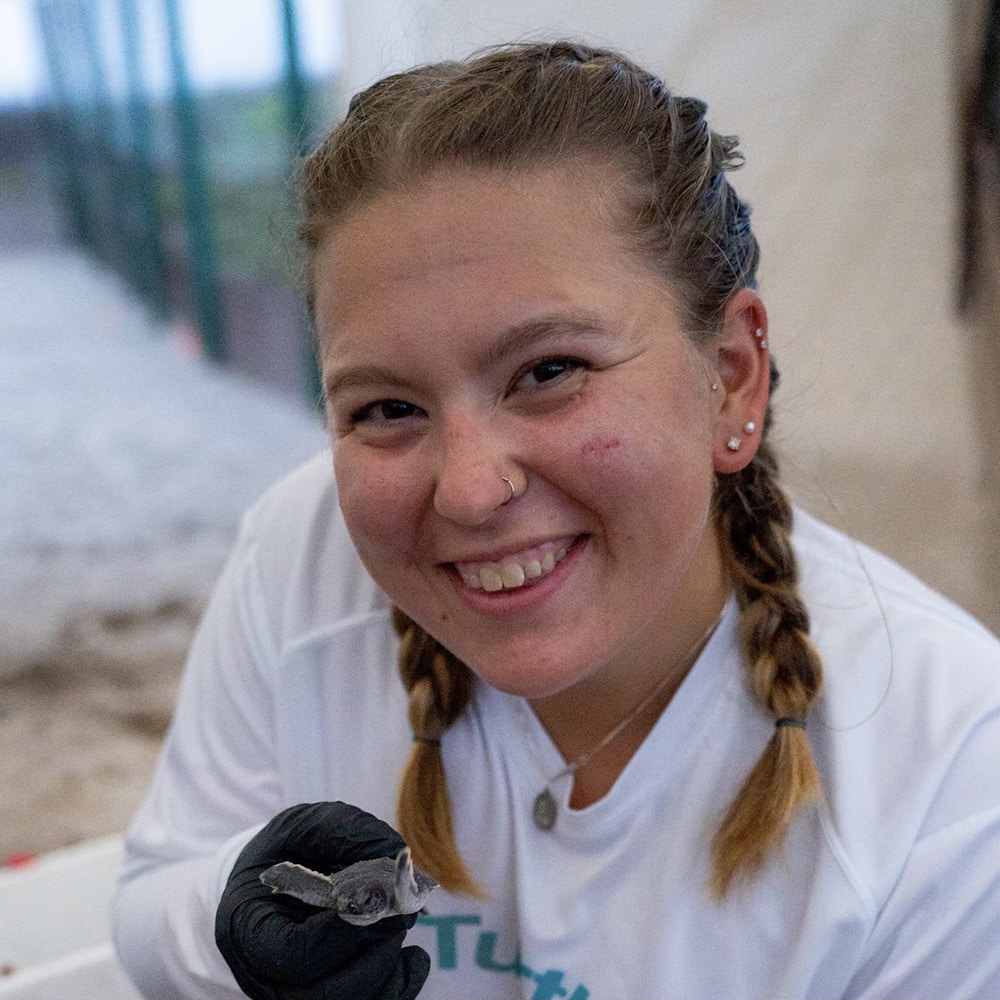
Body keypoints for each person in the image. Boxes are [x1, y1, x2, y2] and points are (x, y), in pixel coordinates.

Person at [112, 40, 1000, 1000]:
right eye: (388, 408)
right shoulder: (303, 555)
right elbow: (154, 893)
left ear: (731, 376)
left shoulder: (949, 771)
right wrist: (234, 925)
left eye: (549, 372)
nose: (469, 491)